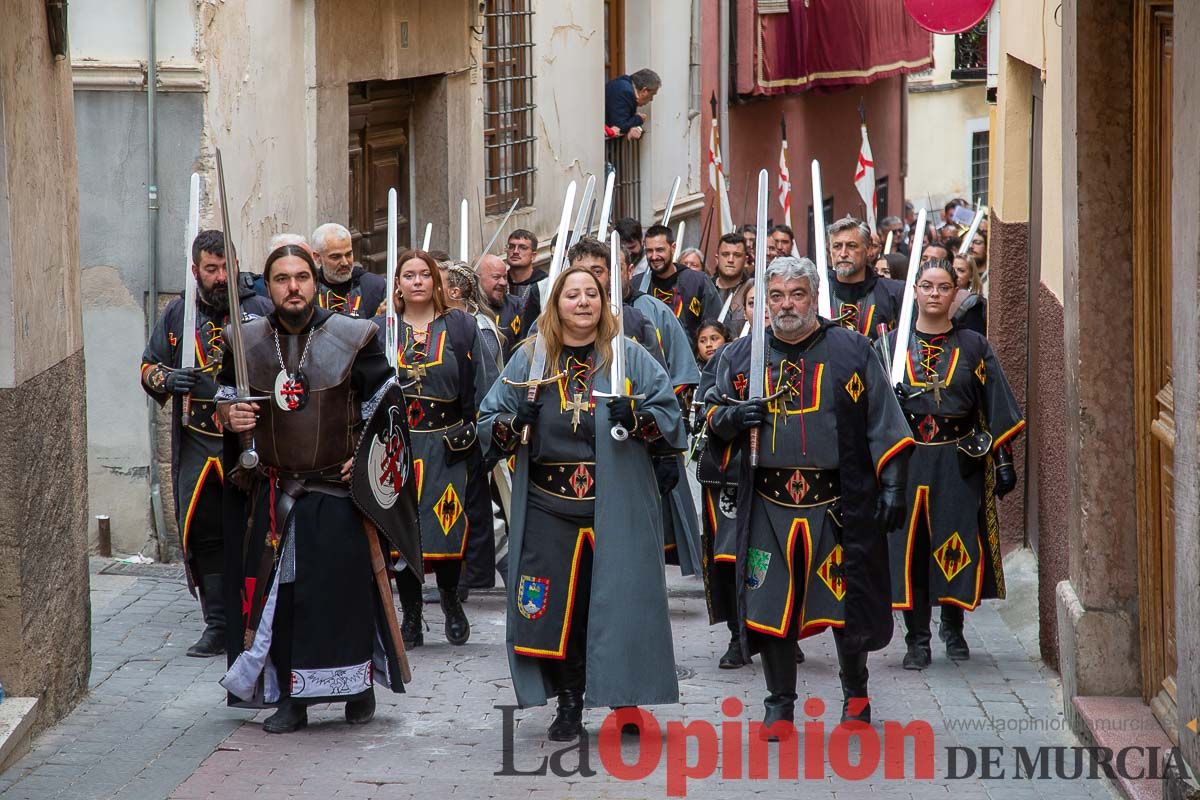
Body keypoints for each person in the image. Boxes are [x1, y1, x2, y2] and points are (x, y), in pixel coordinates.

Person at [704, 256, 913, 730]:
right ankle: (779, 705)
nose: (786, 305)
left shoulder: (852, 350)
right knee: (770, 605)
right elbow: (709, 415)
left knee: (844, 602)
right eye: (776, 296)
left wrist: (894, 486)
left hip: (838, 504)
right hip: (766, 505)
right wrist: (732, 418)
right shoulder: (741, 356)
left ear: (815, 297)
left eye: (796, 294)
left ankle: (855, 697)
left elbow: (883, 419)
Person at [479, 265, 686, 741]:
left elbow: (670, 417)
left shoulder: (628, 358)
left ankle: (625, 699)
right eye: (572, 294)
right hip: (550, 507)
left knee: (621, 605)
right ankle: (569, 703)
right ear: (556, 305)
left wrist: (638, 416)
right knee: (562, 613)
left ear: (604, 301)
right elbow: (490, 419)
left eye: (591, 293)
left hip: (615, 506)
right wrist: (516, 420)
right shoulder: (530, 360)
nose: (583, 302)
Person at [216, 244, 409, 733]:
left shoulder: (354, 335)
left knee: (346, 595)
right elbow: (224, 400)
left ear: (316, 281)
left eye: (302, 276)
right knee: (282, 598)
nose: (293, 287)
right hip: (276, 491)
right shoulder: (245, 342)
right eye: (281, 279)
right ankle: (291, 700)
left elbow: (385, 406)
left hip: (337, 492)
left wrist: (362, 461)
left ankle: (358, 689)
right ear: (269, 286)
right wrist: (230, 417)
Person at [880, 260, 1022, 669]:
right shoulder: (891, 346)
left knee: (953, 543)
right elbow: (871, 408)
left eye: (944, 287)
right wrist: (894, 400)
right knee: (912, 548)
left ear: (956, 293)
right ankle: (916, 640)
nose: (935, 294)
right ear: (915, 292)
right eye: (927, 286)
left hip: (957, 461)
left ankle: (953, 625)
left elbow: (994, 402)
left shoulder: (974, 345)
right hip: (908, 462)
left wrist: (1003, 458)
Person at [140, 229, 273, 658]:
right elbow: (147, 367)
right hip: (198, 443)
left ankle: (254, 618)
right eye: (210, 270)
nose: (219, 277)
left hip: (249, 439)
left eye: (225, 268)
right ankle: (217, 623)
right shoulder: (178, 313)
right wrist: (166, 378)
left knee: (256, 531)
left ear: (236, 266)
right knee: (202, 532)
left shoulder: (261, 310)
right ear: (195, 271)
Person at [377, 251, 494, 645]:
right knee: (402, 531)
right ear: (398, 283)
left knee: (447, 527)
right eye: (408, 275)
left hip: (447, 447)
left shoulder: (460, 326)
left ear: (436, 281)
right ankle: (410, 616)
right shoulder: (382, 330)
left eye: (424, 274)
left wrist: (482, 439)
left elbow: (484, 385)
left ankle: (449, 599)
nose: (417, 282)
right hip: (398, 446)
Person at [638, 224, 722, 349]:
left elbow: (715, 326)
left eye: (660, 250)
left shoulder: (698, 282)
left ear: (673, 248)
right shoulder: (637, 285)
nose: (654, 256)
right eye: (649, 251)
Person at [826, 217, 905, 341]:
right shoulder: (819, 291)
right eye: (837, 246)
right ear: (830, 250)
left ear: (868, 249)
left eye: (851, 246)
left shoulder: (894, 292)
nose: (843, 253)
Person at [310, 223, 387, 318]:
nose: (345, 263)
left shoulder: (376, 287)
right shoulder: (308, 288)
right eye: (336, 257)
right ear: (317, 258)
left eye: (348, 254)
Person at [477, 253, 523, 360]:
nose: (503, 282)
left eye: (505, 277)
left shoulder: (517, 307)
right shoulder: (466, 310)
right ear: (478, 278)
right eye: (496, 277)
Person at [604, 68, 661, 141]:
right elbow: (619, 126)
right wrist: (639, 119)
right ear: (644, 91)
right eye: (652, 94)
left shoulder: (624, 85)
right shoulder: (626, 92)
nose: (651, 99)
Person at [712, 232, 751, 331]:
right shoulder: (704, 288)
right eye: (725, 254)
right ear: (717, 259)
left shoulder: (754, 288)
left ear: (746, 260)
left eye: (737, 255)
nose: (730, 260)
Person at [949, 255, 987, 335]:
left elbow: (974, 337)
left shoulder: (974, 304)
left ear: (971, 277)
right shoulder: (937, 295)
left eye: (961, 271)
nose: (954, 274)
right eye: (952, 269)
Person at [505, 230, 544, 303]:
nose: (515, 251)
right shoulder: (500, 281)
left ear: (533, 256)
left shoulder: (544, 283)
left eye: (523, 247)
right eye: (511, 247)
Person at [968, 230, 989, 297]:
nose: (971, 246)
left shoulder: (993, 275)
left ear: (986, 248)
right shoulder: (958, 276)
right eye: (967, 243)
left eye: (977, 243)